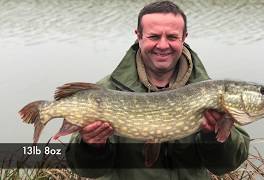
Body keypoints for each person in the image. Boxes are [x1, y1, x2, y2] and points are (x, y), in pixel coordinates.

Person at [66, 1, 250, 179]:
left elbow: (227, 165)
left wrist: (212, 136)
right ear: (139, 36)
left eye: (171, 37)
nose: (163, 45)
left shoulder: (209, 92)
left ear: (184, 37)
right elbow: (85, 170)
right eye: (154, 37)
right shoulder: (106, 91)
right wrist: (91, 146)